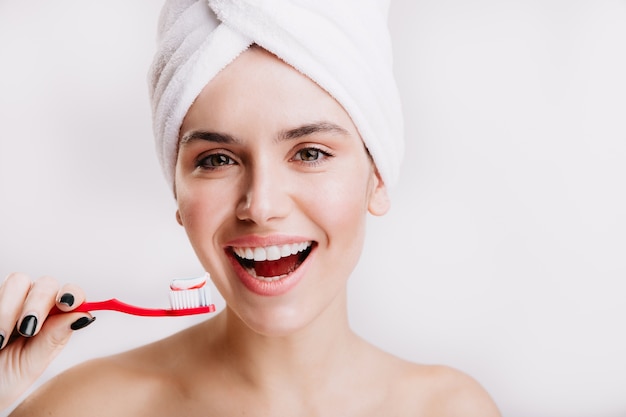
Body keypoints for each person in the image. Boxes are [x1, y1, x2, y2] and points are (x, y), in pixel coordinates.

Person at [1, 1, 501, 415]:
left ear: (377, 178)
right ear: (177, 192)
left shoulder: (453, 408)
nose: (260, 206)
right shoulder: (82, 410)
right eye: (216, 160)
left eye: (309, 153)